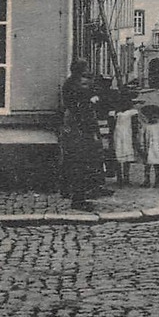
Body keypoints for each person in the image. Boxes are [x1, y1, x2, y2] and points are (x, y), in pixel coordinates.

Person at [60, 59, 108, 210]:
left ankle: (70, 192)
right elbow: (84, 109)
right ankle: (78, 199)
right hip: (80, 129)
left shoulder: (70, 82)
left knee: (73, 161)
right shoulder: (79, 86)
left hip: (72, 126)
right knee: (82, 162)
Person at [112, 90, 139, 185]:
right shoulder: (120, 112)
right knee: (122, 155)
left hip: (123, 134)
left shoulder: (129, 113)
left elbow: (135, 125)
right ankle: (122, 177)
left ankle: (123, 177)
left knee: (122, 155)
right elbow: (135, 126)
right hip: (122, 134)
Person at [141, 116, 159, 188]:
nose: (152, 119)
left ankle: (158, 181)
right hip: (148, 148)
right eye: (151, 117)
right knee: (147, 165)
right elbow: (142, 137)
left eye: (154, 117)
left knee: (157, 165)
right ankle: (146, 181)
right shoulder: (146, 126)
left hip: (157, 148)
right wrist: (142, 147)